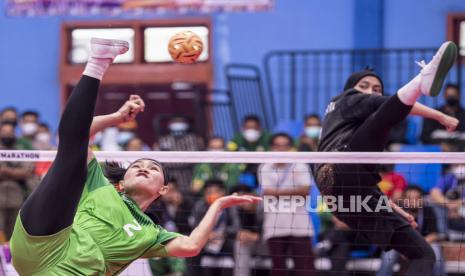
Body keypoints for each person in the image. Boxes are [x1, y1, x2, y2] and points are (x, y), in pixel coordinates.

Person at [9, 38, 261, 275]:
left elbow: (192, 245)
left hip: (74, 272)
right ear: (121, 181)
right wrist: (117, 118)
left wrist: (217, 205)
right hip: (45, 240)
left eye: (152, 169)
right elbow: (78, 134)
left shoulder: (151, 234)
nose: (143, 168)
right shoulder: (100, 185)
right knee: (70, 155)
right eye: (137, 165)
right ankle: (98, 61)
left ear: (162, 189)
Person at [314, 41, 458, 275]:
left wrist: (390, 206)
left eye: (377, 89)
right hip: (341, 167)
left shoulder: (341, 126)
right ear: (350, 88)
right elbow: (390, 107)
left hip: (351, 199)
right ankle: (423, 77)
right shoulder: (346, 99)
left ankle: (423, 79)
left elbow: (358, 183)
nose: (371, 91)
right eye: (365, 86)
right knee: (380, 120)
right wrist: (440, 116)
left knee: (423, 253)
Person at [259, 132, 314, 276]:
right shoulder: (265, 167)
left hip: (300, 224)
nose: (281, 149)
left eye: (285, 146)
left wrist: (277, 192)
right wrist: (294, 191)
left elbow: (305, 192)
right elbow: (267, 193)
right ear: (271, 147)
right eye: (277, 146)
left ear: (290, 147)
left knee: (305, 268)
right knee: (278, 269)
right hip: (274, 225)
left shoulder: (301, 165)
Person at [377, 186, 445, 276]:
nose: (413, 201)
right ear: (403, 199)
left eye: (416, 198)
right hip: (400, 245)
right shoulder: (396, 212)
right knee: (388, 254)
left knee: (436, 250)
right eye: (409, 198)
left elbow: (434, 234)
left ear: (422, 200)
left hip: (424, 243)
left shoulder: (428, 210)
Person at [0, 122, 35, 242]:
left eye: (9, 133)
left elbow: (27, 172)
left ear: (14, 133)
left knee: (14, 233)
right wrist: (15, 173)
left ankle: (11, 259)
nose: (7, 135)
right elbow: (20, 172)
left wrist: (5, 171)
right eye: (4, 132)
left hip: (17, 198)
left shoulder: (22, 150)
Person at [421, 83, 465, 151]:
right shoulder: (434, 114)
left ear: (459, 96)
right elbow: (424, 136)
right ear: (444, 96)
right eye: (449, 96)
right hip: (438, 151)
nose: (451, 98)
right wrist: (439, 145)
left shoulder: (463, 115)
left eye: (453, 96)